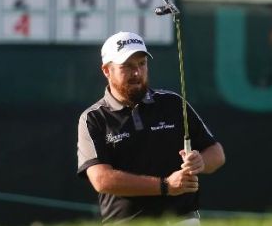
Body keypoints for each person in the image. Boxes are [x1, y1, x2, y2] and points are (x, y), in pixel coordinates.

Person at [77, 31, 225, 224]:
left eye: (142, 64)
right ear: (107, 70)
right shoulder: (93, 118)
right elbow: (101, 179)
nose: (137, 73)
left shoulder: (172, 103)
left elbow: (217, 153)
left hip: (181, 219)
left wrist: (201, 162)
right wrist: (165, 186)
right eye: (127, 66)